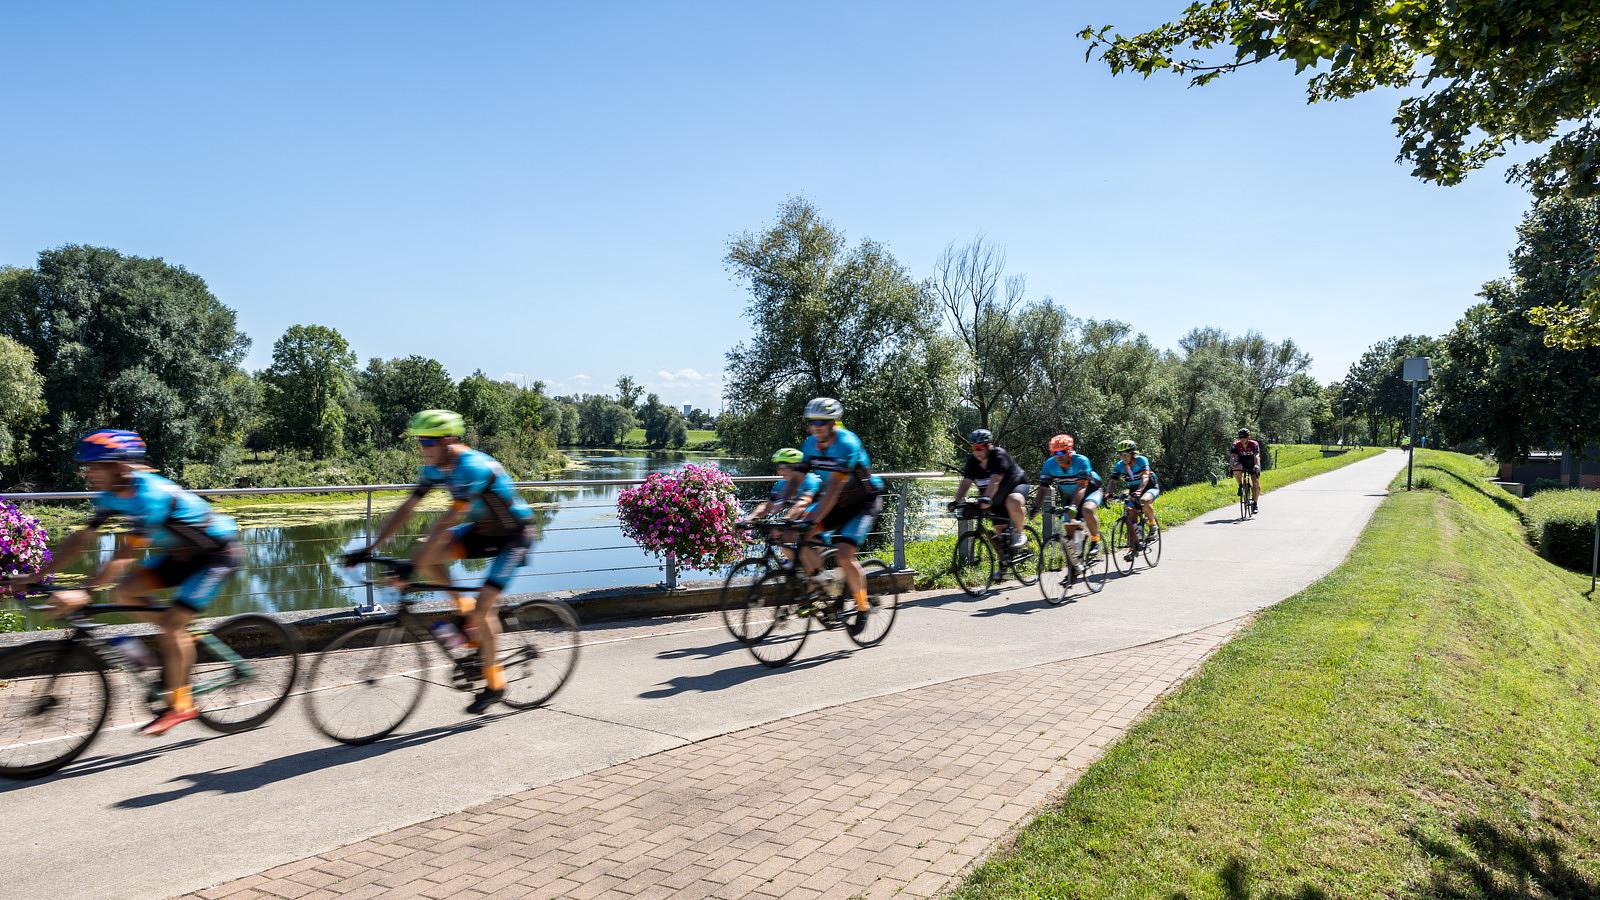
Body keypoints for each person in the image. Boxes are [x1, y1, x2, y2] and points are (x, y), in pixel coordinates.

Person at [13, 429, 242, 736]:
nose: (86, 472)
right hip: (180, 555)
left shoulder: (151, 495)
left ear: (119, 466)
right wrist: (37, 575)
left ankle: (182, 705)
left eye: (94, 465)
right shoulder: (110, 495)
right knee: (125, 591)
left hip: (216, 555)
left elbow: (127, 552)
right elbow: (83, 538)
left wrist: (84, 591)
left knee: (172, 624)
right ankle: (178, 639)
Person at [344, 409, 536, 714]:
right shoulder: (436, 467)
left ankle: (496, 683)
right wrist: (369, 548)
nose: (422, 447)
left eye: (428, 441)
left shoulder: (471, 467)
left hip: (513, 536)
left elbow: (445, 520)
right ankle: (466, 613)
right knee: (426, 552)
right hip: (481, 531)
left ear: (448, 440)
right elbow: (406, 508)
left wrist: (411, 565)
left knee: (485, 606)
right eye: (419, 441)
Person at [793, 397, 884, 632]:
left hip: (863, 503)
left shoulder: (847, 443)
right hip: (838, 504)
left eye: (822, 422)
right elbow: (796, 478)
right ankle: (825, 586)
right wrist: (777, 505)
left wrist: (811, 519)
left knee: (844, 556)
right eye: (812, 422)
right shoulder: (810, 444)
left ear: (833, 422)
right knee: (801, 539)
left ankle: (863, 607)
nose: (816, 427)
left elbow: (832, 490)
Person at [949, 429, 1029, 550]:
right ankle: (1004, 565)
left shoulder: (998, 455)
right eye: (974, 448)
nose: (977, 451)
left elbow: (995, 481)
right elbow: (966, 483)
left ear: (989, 446)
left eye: (980, 448)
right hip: (996, 497)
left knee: (1013, 501)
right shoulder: (972, 461)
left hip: (1016, 486)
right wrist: (956, 501)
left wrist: (985, 499)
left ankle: (1020, 533)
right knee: (1000, 535)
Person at [1032, 433, 1104, 557]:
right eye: (1055, 453)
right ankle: (1075, 564)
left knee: (1087, 510)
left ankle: (1095, 541)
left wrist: (1074, 507)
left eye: (1062, 452)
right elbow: (1043, 487)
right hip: (1071, 495)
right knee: (1069, 529)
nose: (1058, 456)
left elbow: (1082, 486)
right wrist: (1035, 506)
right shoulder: (1049, 465)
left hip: (1090, 489)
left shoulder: (1081, 461)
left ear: (1069, 451)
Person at [1109, 439, 1160, 559]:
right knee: (1130, 517)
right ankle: (1134, 548)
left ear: (1133, 454)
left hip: (1149, 486)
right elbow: (1113, 481)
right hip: (1133, 489)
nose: (1123, 457)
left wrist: (1139, 491)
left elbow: (1145, 477)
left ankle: (1153, 525)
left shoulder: (1141, 460)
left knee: (1145, 501)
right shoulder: (1120, 465)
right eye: (1121, 455)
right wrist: (1109, 493)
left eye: (1125, 454)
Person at [1230, 428, 1262, 513]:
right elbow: (1233, 456)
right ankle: (1240, 485)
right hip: (1242, 462)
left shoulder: (1254, 444)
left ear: (1248, 437)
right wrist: (1232, 465)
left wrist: (1257, 465)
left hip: (1252, 463)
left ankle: (1255, 504)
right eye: (1240, 437)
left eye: (1244, 437)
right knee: (1236, 468)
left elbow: (1257, 456)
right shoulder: (1236, 444)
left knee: (1256, 484)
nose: (1242, 439)